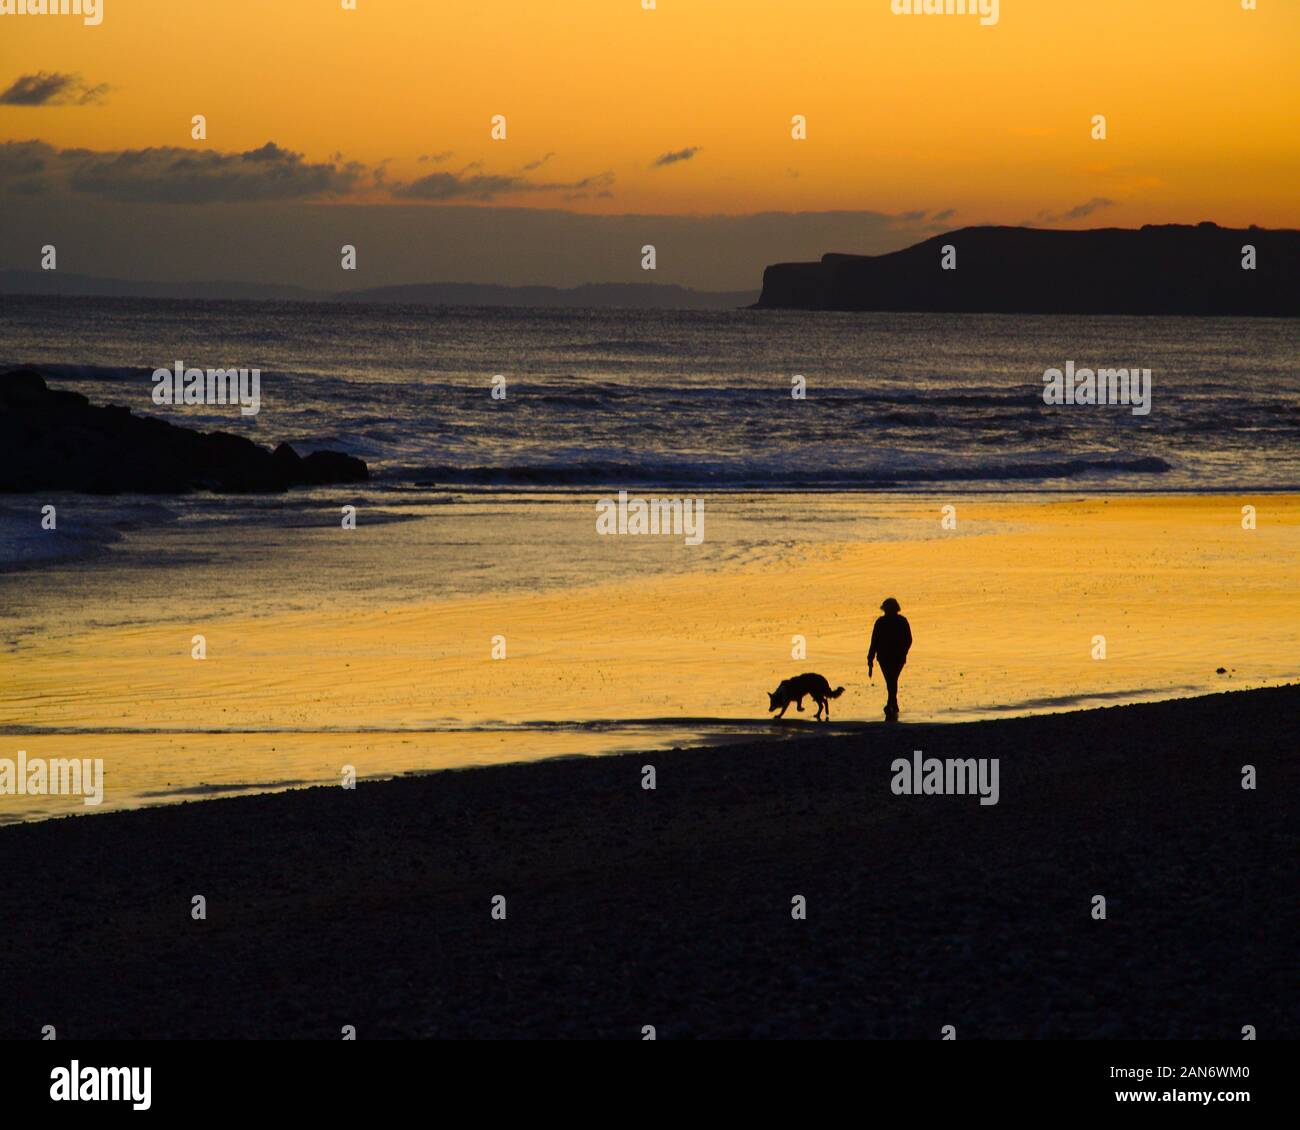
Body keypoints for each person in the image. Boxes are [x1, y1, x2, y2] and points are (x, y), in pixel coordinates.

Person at [867, 597, 912, 717]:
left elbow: (874, 641)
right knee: (892, 680)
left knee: (891, 680)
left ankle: (890, 703)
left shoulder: (882, 622)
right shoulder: (901, 621)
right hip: (891, 656)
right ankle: (893, 702)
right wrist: (870, 658)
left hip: (888, 656)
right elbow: (908, 640)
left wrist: (870, 657)